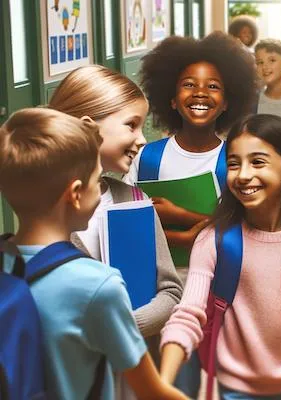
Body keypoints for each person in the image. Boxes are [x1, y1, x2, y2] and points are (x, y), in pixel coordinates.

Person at [159, 114, 281, 399]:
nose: (242, 174)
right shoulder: (214, 240)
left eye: (257, 162)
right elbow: (189, 316)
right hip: (235, 389)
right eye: (233, 163)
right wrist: (162, 385)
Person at [0, 108, 186, 400]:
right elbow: (152, 391)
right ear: (75, 193)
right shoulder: (98, 285)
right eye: (97, 179)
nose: (100, 191)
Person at [122, 31, 257, 397]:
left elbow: (248, 229)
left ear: (228, 101)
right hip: (156, 292)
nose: (200, 92)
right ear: (171, 97)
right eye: (188, 85)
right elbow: (127, 222)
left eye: (213, 86)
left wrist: (181, 224)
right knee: (170, 377)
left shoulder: (235, 158)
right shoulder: (146, 157)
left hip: (223, 291)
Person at [48, 64, 183, 399]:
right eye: (131, 125)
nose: (141, 139)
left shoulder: (136, 200)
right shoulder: (45, 210)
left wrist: (119, 329)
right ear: (88, 128)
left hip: (130, 378)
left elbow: (170, 291)